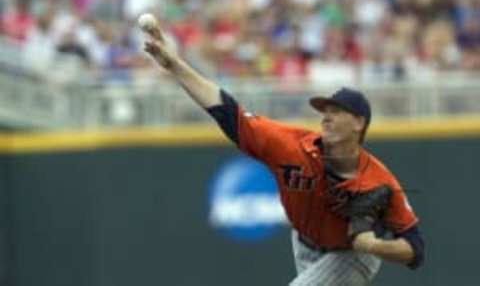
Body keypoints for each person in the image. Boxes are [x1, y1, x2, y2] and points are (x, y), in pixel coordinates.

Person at [142, 17, 425, 286]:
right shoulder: (291, 145)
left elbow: (415, 248)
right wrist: (175, 66)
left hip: (352, 254)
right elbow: (227, 112)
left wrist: (375, 245)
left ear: (359, 123)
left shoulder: (377, 179)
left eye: (337, 112)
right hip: (305, 242)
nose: (326, 117)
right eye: (324, 111)